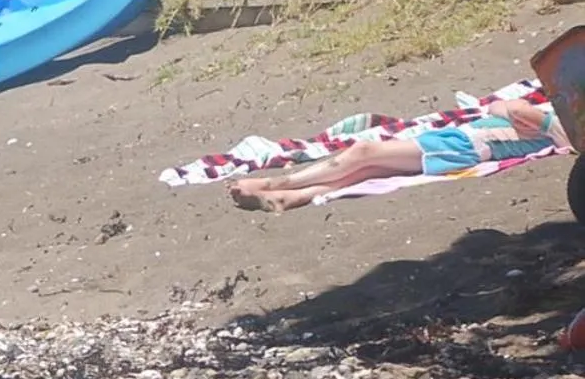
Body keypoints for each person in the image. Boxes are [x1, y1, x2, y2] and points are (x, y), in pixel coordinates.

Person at [228, 97, 568, 212]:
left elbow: (525, 115)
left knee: (364, 152)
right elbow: (499, 106)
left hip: (462, 145)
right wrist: (510, 107)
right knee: (368, 172)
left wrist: (514, 109)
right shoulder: (559, 112)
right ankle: (293, 198)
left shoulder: (562, 123)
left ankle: (275, 183)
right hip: (458, 142)